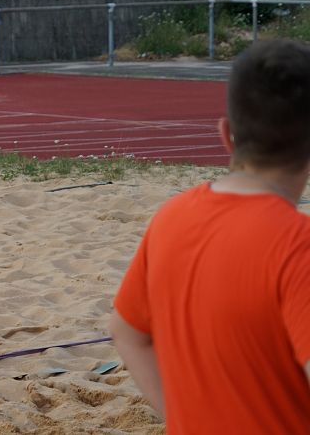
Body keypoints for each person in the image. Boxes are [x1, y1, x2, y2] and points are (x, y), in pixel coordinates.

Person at [110, 38, 310, 433]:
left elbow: (126, 332)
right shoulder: (297, 245)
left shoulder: (171, 218)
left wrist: (182, 419)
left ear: (226, 134)